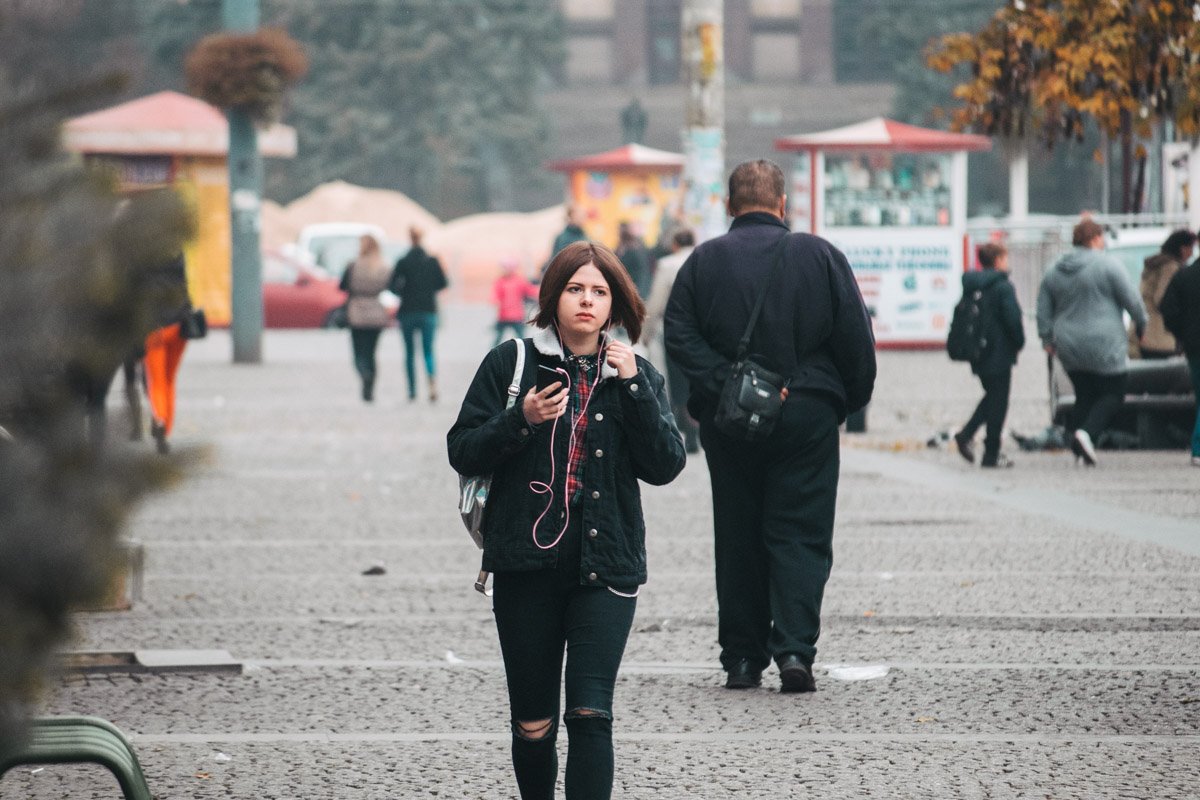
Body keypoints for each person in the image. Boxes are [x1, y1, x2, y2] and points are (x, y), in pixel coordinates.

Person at [447, 241, 685, 800]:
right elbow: (463, 449)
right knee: (534, 725)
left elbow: (666, 464)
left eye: (599, 292)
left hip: (607, 566)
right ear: (554, 297)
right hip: (526, 564)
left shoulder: (637, 372)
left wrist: (633, 389)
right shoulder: (512, 361)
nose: (586, 301)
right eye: (575, 289)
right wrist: (521, 418)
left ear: (615, 304)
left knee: (590, 714)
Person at [664, 159, 876, 693]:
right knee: (801, 533)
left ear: (730, 206)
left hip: (730, 419)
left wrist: (722, 382)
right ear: (783, 205)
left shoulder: (703, 261)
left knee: (738, 534)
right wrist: (844, 403)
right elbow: (856, 339)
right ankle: (795, 652)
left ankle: (741, 657)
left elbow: (679, 334)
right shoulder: (820, 255)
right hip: (807, 413)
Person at [1036, 218, 1148, 466]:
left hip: (1068, 344)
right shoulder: (1108, 265)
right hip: (1104, 340)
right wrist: (1141, 324)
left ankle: (1078, 447)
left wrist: (1046, 336)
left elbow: (1043, 305)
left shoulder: (1055, 268)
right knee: (1114, 392)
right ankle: (1087, 434)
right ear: (1095, 239)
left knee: (1084, 394)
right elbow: (1132, 299)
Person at [952, 243, 1025, 468]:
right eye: (1005, 257)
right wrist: (1019, 342)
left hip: (978, 351)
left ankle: (969, 436)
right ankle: (990, 452)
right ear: (997, 260)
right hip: (999, 352)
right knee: (998, 402)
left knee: (992, 397)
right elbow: (1012, 319)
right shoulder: (1003, 286)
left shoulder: (973, 284)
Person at [642, 228, 699, 452]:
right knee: (698, 379)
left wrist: (644, 334)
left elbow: (656, 303)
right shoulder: (704, 258)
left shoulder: (667, 265)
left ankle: (689, 430)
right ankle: (699, 426)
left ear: (675, 244)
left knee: (678, 383)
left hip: (676, 329)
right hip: (704, 330)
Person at [390, 226, 448, 402]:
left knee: (409, 352)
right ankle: (431, 382)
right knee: (428, 350)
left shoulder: (402, 261)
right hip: (428, 309)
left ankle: (412, 390)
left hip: (407, 310)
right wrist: (428, 289)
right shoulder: (432, 261)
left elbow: (392, 285)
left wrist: (404, 291)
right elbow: (443, 283)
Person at [142, 253, 192, 454]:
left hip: (154, 329)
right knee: (170, 379)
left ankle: (160, 419)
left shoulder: (145, 262)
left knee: (157, 381)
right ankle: (167, 430)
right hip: (179, 327)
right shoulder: (178, 256)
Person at [1159, 238, 1200, 467]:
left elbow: (1168, 308)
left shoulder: (1185, 276)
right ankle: (1198, 446)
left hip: (1194, 345)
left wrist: (1182, 334)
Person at [339, 234, 392, 402]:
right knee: (372, 353)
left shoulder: (353, 265)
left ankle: (364, 374)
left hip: (357, 312)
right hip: (376, 311)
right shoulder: (383, 267)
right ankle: (370, 388)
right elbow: (391, 286)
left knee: (358, 354)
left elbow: (342, 286)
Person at [1134, 229, 1195, 359]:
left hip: (1147, 334)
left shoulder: (1154, 265)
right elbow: (1163, 299)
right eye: (1191, 247)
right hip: (1162, 337)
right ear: (1182, 248)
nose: (1192, 253)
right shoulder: (1170, 267)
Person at [492, 257, 538, 347]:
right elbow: (495, 296)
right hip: (503, 315)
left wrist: (541, 292)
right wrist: (495, 301)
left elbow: (530, 290)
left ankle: (525, 352)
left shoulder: (519, 281)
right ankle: (492, 353)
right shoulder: (500, 282)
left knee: (521, 337)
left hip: (516, 315)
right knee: (498, 337)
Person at [615, 221, 652, 299]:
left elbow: (642, 272)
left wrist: (639, 293)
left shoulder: (635, 249)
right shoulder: (621, 247)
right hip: (624, 288)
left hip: (634, 289)